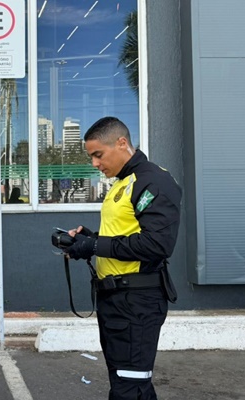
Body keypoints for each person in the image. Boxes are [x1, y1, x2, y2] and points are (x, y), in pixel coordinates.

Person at [64, 116, 181, 400]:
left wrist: (94, 245)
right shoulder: (122, 183)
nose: (94, 163)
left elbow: (157, 245)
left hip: (136, 301)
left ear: (121, 143)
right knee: (127, 385)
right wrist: (88, 239)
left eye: (98, 155)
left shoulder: (153, 180)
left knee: (130, 388)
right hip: (117, 300)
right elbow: (125, 234)